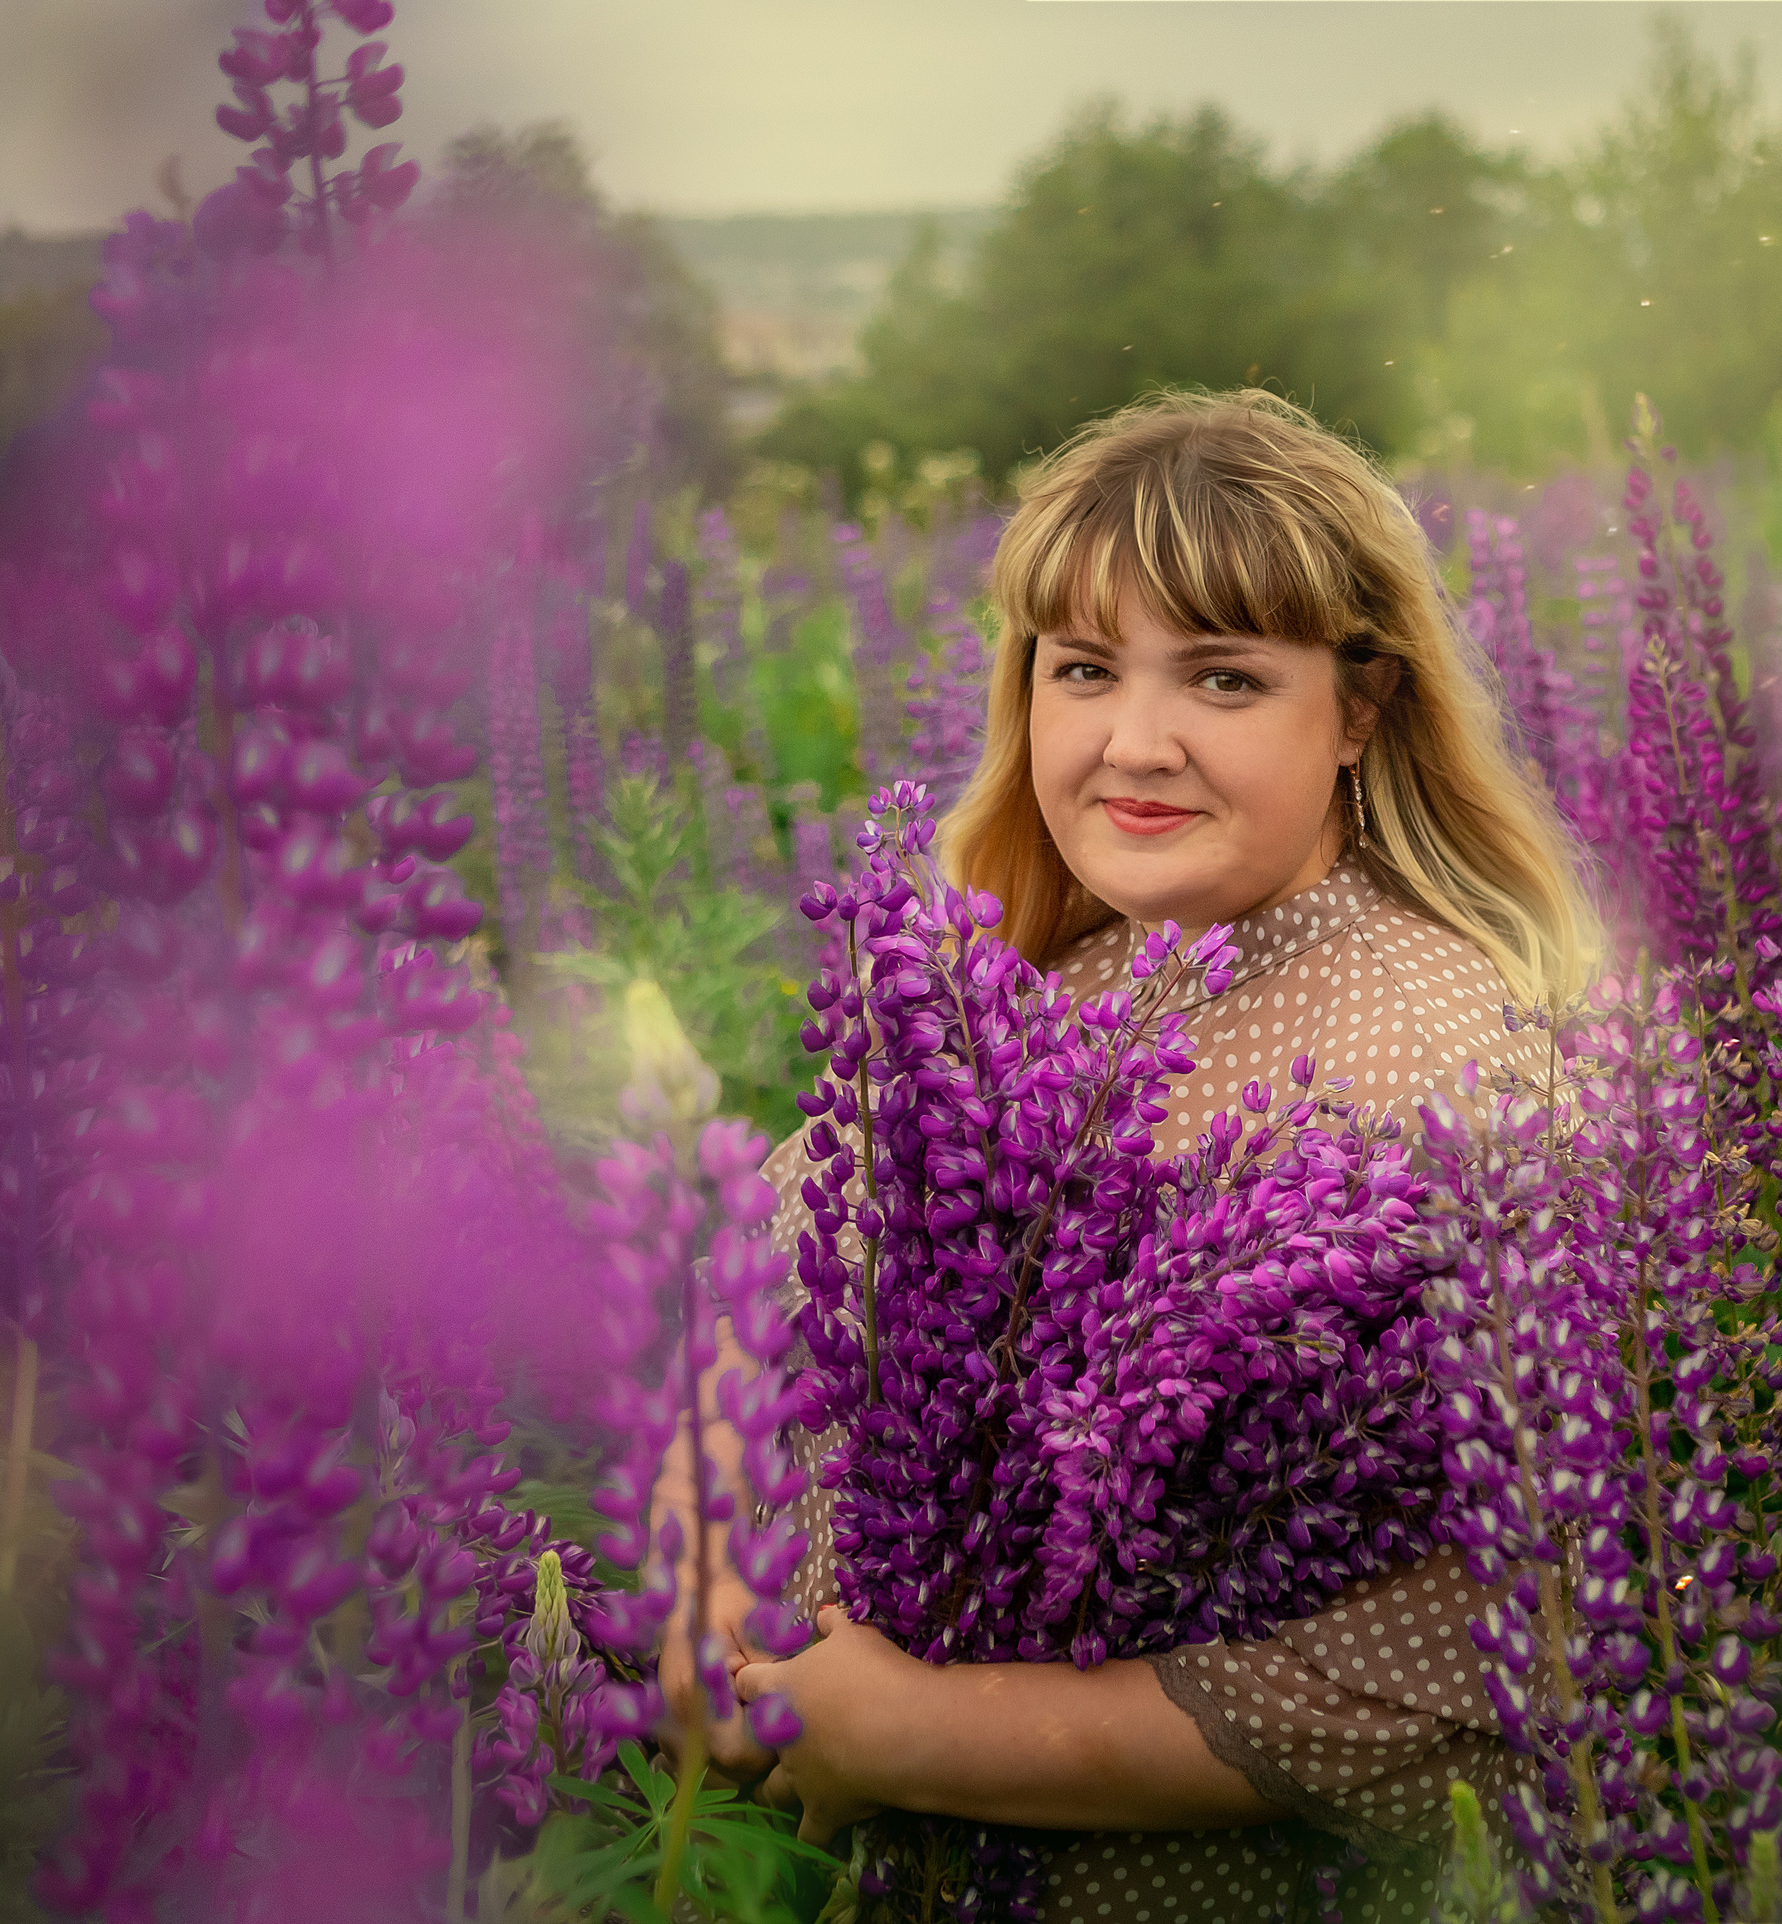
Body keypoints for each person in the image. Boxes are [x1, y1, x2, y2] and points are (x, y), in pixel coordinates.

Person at [704, 389, 1596, 1922]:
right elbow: (747, 1308)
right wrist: (710, 1611)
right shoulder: (1041, 983)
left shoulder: (1450, 1065)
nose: (1134, 742)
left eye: (1225, 677)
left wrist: (919, 1734)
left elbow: (1475, 1653)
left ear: (1361, 710)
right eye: (1084, 668)